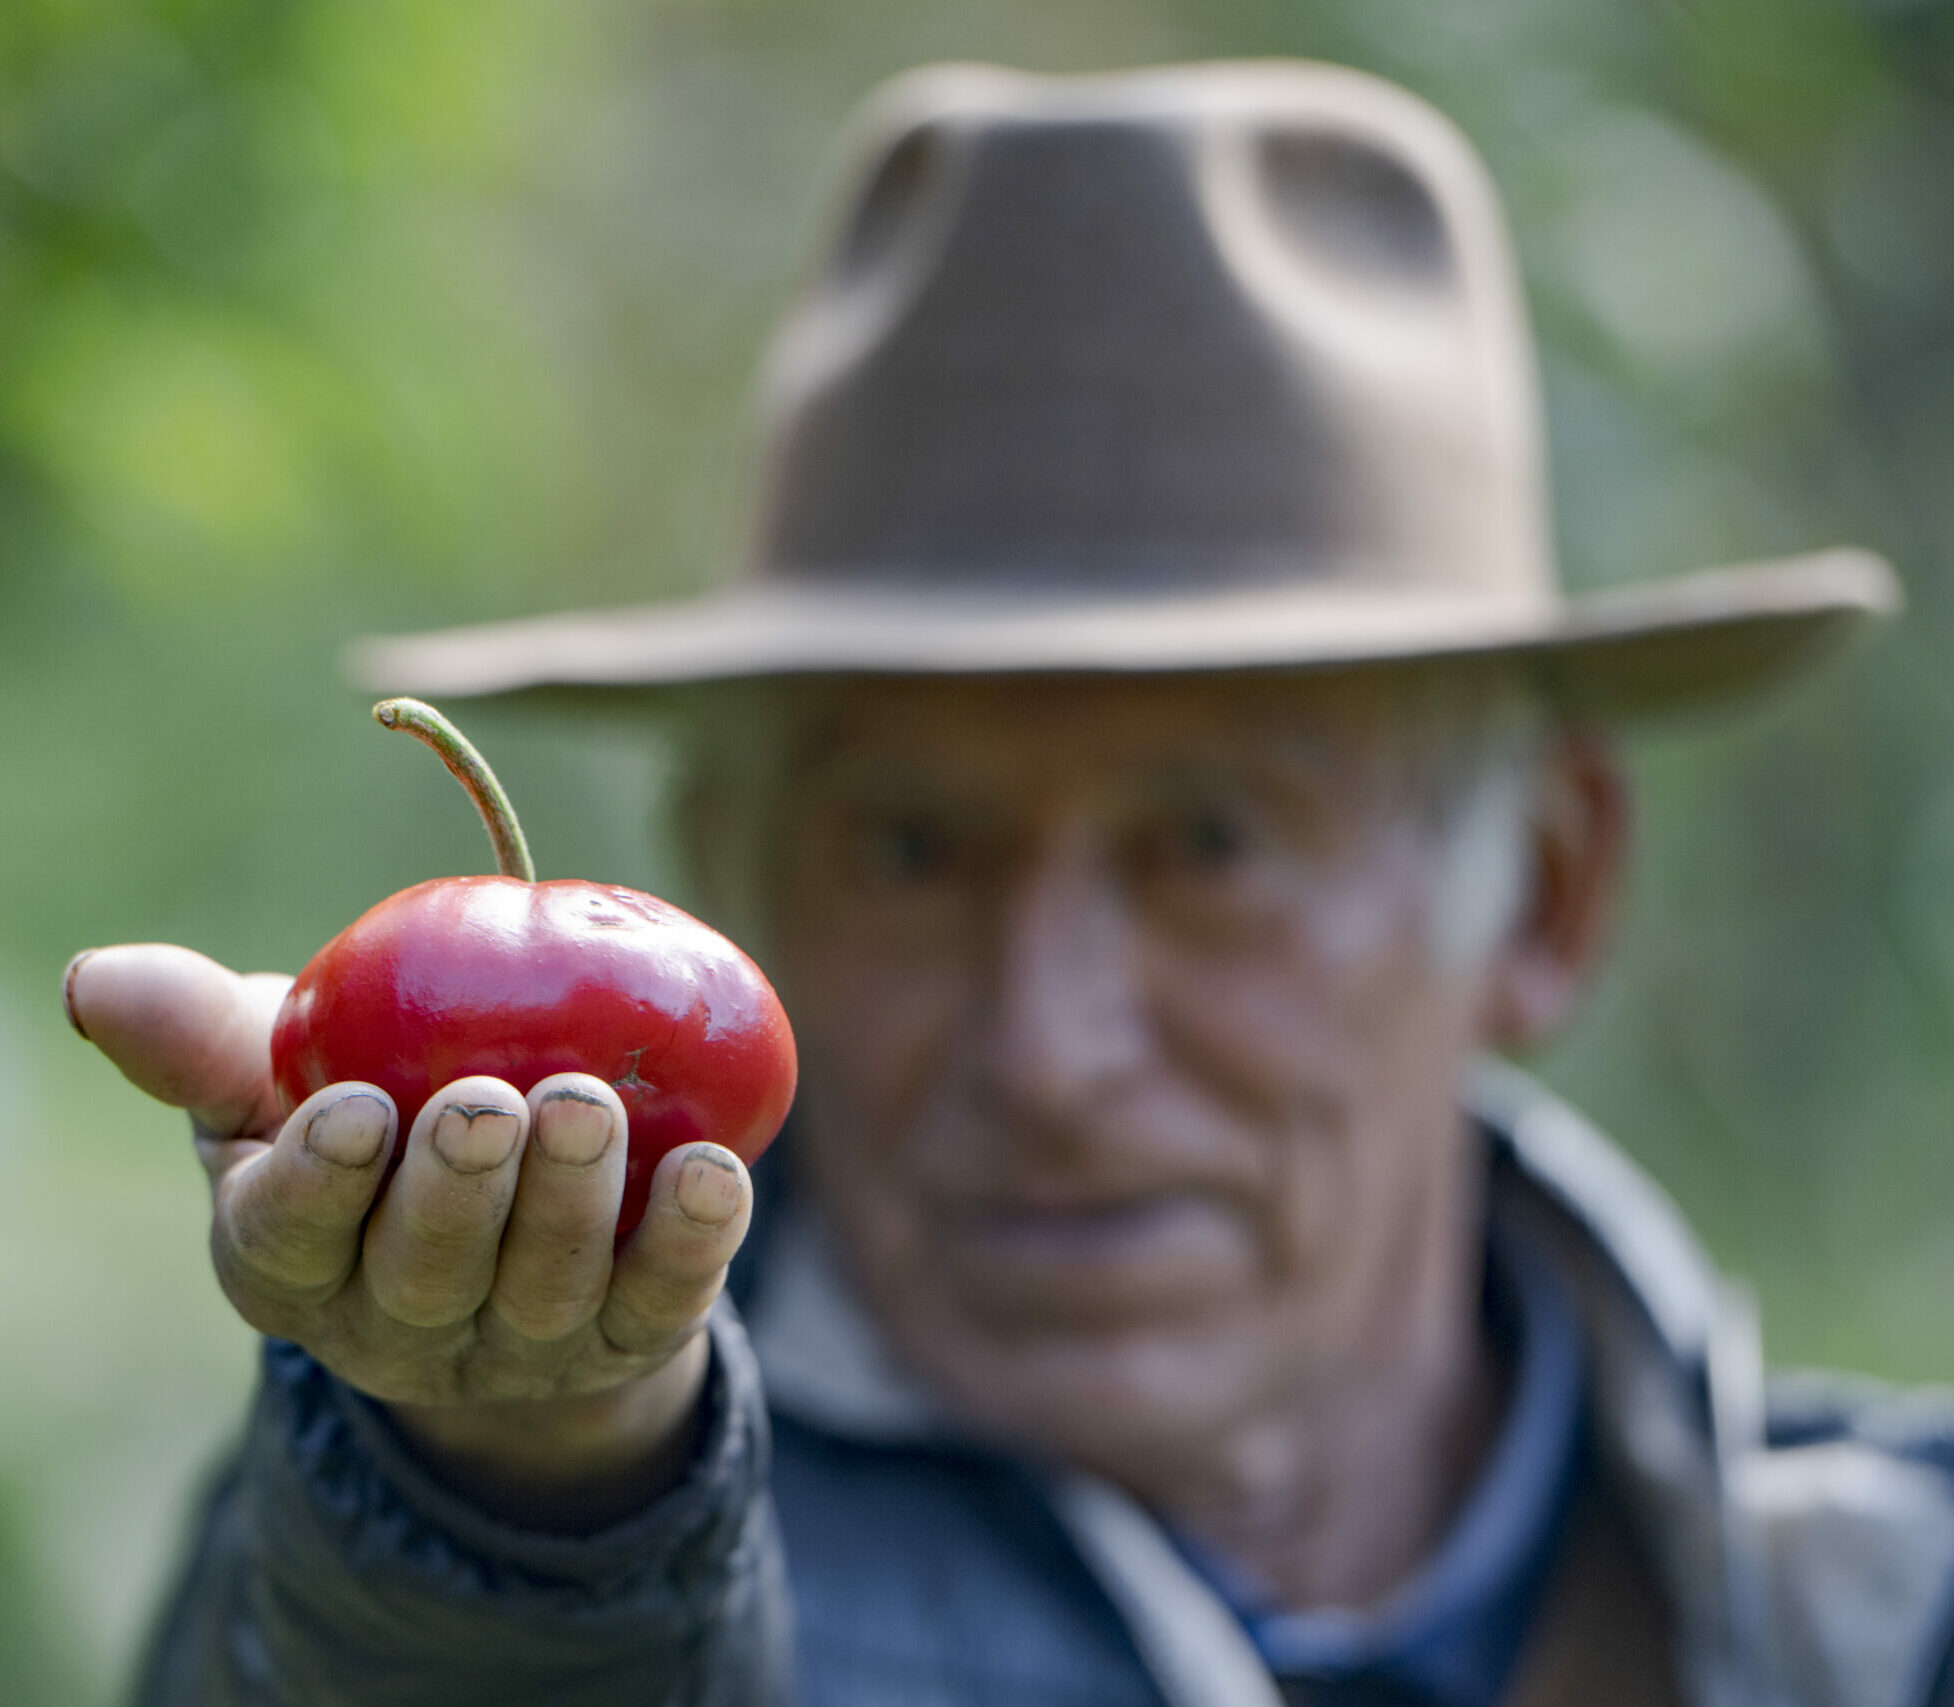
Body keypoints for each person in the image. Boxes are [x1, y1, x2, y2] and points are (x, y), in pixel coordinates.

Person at [62, 61, 1953, 1707]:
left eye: (1210, 845)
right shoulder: (471, 1531)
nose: (1047, 1050)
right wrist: (515, 1473)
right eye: (908, 847)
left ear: (1538, 892)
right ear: (731, 880)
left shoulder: (1884, 1615)